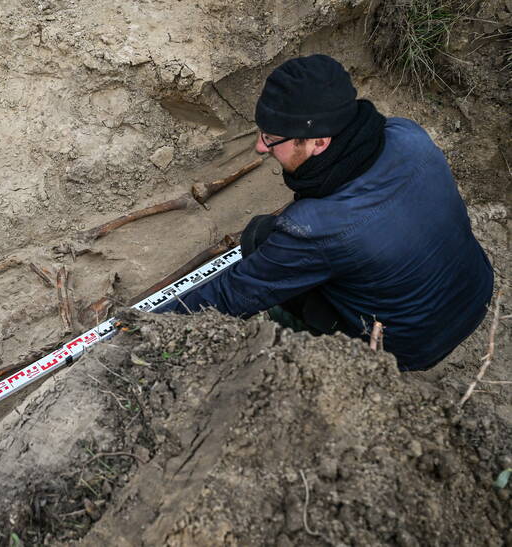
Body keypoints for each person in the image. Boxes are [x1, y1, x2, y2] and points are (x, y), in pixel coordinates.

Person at [157, 54, 494, 371]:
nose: (261, 147)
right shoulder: (408, 136)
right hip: (476, 291)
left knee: (259, 237)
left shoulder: (315, 228)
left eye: (272, 138)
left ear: (318, 143)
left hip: (407, 348)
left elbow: (234, 294)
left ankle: (322, 351)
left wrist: (152, 327)